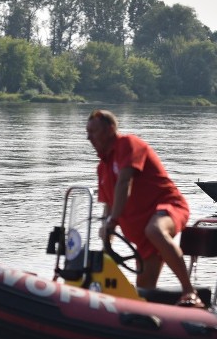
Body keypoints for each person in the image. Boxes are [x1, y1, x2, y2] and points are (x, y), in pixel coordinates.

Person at [86, 109, 204, 308]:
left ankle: (189, 292)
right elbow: (108, 204)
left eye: (93, 131)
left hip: (169, 206)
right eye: (87, 132)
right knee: (143, 294)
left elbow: (125, 183)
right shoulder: (102, 168)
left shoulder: (127, 144)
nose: (89, 137)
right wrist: (107, 233)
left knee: (155, 230)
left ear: (110, 129)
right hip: (143, 240)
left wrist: (113, 221)